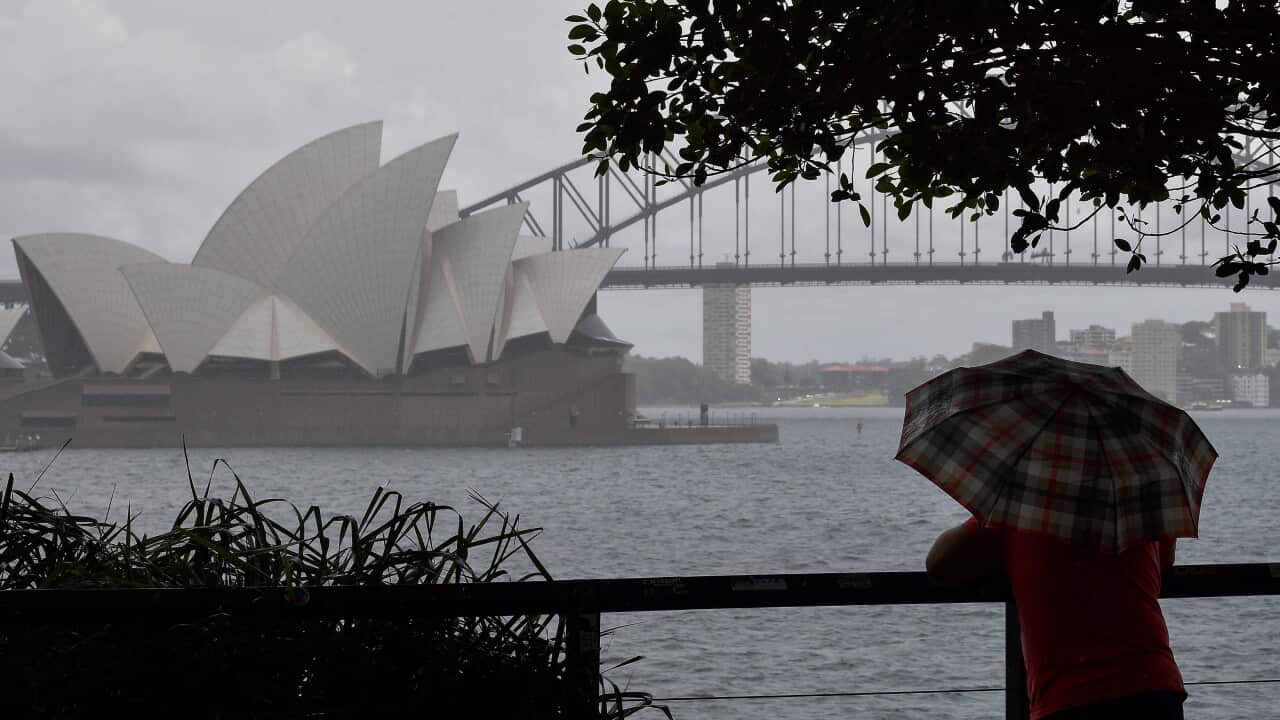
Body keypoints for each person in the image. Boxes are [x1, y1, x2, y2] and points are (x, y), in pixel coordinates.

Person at [926, 517, 1185, 720]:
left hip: (1068, 698)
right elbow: (1164, 560)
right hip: (1154, 687)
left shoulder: (1022, 505)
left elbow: (940, 563)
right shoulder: (1138, 496)